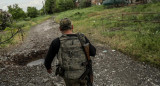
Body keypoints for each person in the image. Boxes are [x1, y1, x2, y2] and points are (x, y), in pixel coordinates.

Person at [44, 18, 96, 86]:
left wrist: (48, 68)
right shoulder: (82, 38)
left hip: (69, 77)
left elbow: (47, 60)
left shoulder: (56, 42)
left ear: (60, 29)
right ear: (72, 27)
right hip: (84, 74)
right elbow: (93, 52)